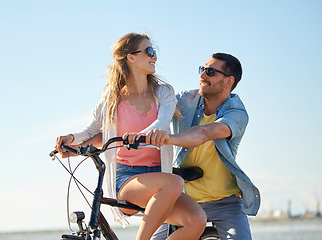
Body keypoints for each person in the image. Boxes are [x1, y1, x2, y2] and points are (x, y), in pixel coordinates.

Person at [54, 33, 206, 240]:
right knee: (174, 182)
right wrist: (71, 138)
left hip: (160, 176)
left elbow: (161, 123)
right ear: (131, 57)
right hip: (127, 179)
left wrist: (141, 136)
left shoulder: (164, 93)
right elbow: (91, 132)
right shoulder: (112, 97)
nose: (154, 57)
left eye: (155, 52)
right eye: (149, 51)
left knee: (196, 221)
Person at [147, 53, 260, 240]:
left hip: (226, 204)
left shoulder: (236, 112)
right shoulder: (185, 100)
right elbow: (149, 108)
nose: (202, 75)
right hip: (182, 201)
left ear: (228, 81)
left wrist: (168, 138)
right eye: (202, 69)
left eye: (210, 72)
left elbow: (205, 133)